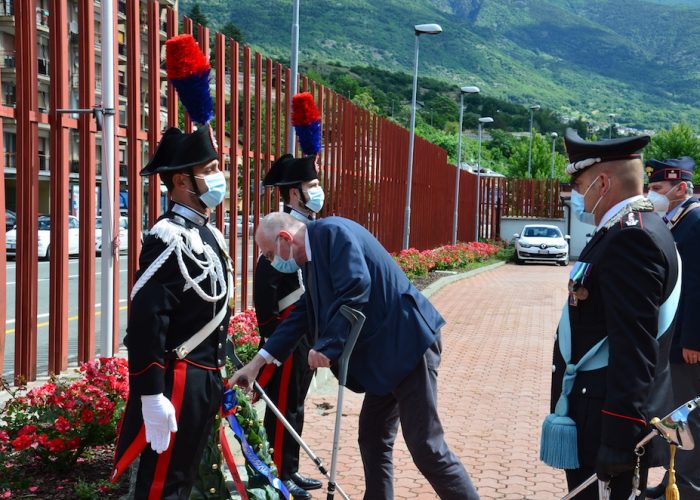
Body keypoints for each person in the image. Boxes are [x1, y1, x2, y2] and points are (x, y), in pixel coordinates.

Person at [233, 212, 479, 499]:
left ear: (285, 238)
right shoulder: (313, 256)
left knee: (427, 446)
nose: (272, 262)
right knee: (373, 439)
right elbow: (303, 314)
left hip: (408, 346)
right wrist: (256, 363)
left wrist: (327, 346)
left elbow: (356, 287)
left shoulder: (332, 234)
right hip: (385, 358)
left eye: (270, 253)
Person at [543, 129, 679, 500]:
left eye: (580, 183)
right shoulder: (628, 230)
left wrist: (619, 438)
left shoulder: (630, 238)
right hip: (597, 407)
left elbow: (634, 346)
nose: (575, 194)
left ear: (602, 182)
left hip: (607, 417)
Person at [111, 124, 233, 499]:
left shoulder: (208, 234)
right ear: (182, 181)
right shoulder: (167, 235)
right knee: (162, 483)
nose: (219, 178)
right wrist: (150, 394)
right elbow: (149, 321)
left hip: (203, 376)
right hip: (177, 380)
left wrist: (224, 366)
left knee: (184, 473)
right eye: (210, 170)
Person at [252, 153, 325, 498]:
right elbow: (265, 290)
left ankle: (290, 468)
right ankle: (278, 473)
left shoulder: (313, 227)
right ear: (295, 194)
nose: (318, 190)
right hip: (286, 332)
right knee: (282, 405)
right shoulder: (280, 230)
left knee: (294, 403)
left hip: (305, 330)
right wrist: (272, 338)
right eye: (311, 185)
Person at [645, 156, 700, 500]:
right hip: (676, 337)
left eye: (658, 188)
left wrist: (694, 339)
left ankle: (689, 486)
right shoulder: (676, 220)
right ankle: (673, 479)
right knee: (675, 415)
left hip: (688, 342)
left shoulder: (694, 221)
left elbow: (697, 286)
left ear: (681, 187)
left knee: (687, 415)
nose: (651, 194)